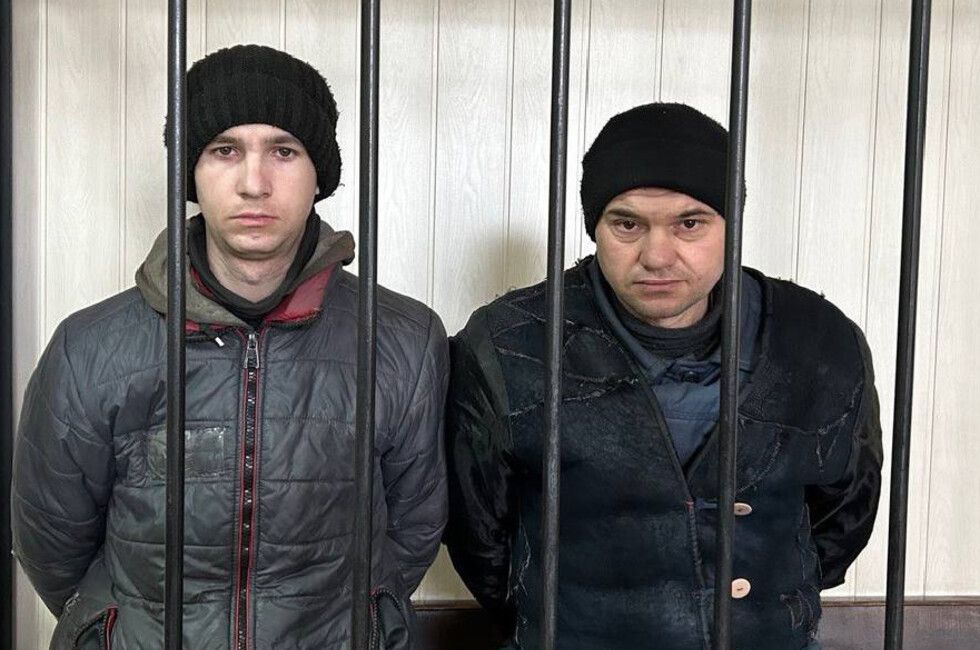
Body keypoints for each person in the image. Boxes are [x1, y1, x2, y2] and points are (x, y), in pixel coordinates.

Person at [12, 44, 448, 649]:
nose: (254, 183)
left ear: (319, 174)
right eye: (225, 150)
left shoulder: (404, 340)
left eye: (283, 151)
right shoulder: (88, 348)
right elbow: (51, 541)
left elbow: (414, 528)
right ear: (190, 173)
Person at [443, 103, 882, 650]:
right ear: (595, 228)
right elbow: (479, 537)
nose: (656, 255)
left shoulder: (818, 339)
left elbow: (845, 512)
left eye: (689, 223)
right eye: (627, 224)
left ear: (731, 226)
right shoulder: (509, 342)